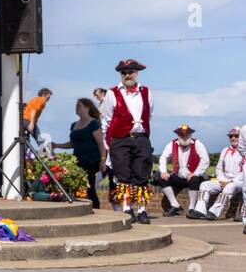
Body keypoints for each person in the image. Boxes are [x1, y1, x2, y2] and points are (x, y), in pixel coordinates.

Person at [100, 59, 154, 225]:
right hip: (120, 138)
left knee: (142, 174)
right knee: (123, 175)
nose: (127, 75)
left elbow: (149, 114)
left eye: (130, 71)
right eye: (124, 72)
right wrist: (108, 143)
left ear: (136, 73)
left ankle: (142, 210)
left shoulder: (146, 91)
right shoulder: (112, 93)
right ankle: (126, 208)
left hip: (141, 137)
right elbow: (107, 120)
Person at [51, 98, 105, 209]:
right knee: (76, 186)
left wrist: (103, 160)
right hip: (77, 159)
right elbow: (72, 144)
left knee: (89, 185)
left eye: (79, 105)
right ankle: (80, 208)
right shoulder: (74, 125)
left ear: (87, 107)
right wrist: (57, 145)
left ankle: (95, 208)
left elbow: (101, 144)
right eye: (76, 106)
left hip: (91, 159)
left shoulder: (94, 123)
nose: (76, 108)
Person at [190, 128, 243, 222]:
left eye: (236, 136)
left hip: (239, 182)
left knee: (229, 187)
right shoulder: (225, 150)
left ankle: (214, 212)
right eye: (231, 136)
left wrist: (231, 181)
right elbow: (219, 168)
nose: (233, 138)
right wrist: (222, 180)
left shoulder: (244, 151)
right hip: (224, 180)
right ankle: (200, 211)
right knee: (204, 185)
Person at [158, 124, 209, 217]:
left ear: (190, 135)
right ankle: (175, 205)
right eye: (182, 135)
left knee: (195, 180)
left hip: (192, 177)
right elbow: (163, 157)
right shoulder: (172, 144)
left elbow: (205, 159)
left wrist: (196, 173)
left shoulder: (197, 143)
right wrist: (164, 171)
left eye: (187, 134)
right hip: (179, 177)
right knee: (160, 177)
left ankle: (191, 208)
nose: (184, 137)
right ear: (178, 135)